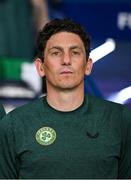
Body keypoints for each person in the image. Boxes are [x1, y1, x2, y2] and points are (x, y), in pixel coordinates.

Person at [0, 18, 131, 179]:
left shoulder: (120, 119)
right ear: (40, 67)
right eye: (56, 53)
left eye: (75, 52)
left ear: (88, 65)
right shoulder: (13, 124)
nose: (66, 60)